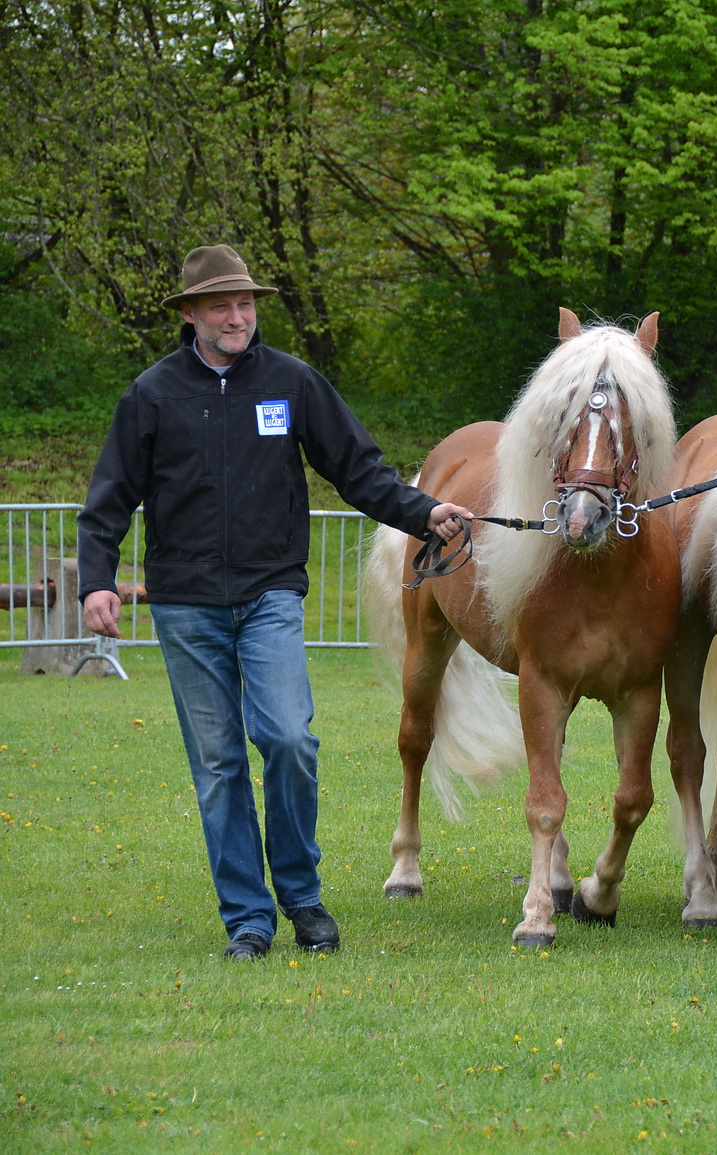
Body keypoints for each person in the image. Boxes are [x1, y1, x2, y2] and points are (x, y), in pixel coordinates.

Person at [78, 244, 472, 961]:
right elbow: (109, 498)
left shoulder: (291, 382)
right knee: (220, 761)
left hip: (269, 593)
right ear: (191, 313)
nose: (237, 316)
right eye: (222, 305)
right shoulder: (152, 395)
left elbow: (357, 468)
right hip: (185, 605)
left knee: (289, 737)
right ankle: (247, 920)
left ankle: (302, 896)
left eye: (246, 304)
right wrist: (97, 578)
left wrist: (422, 512)